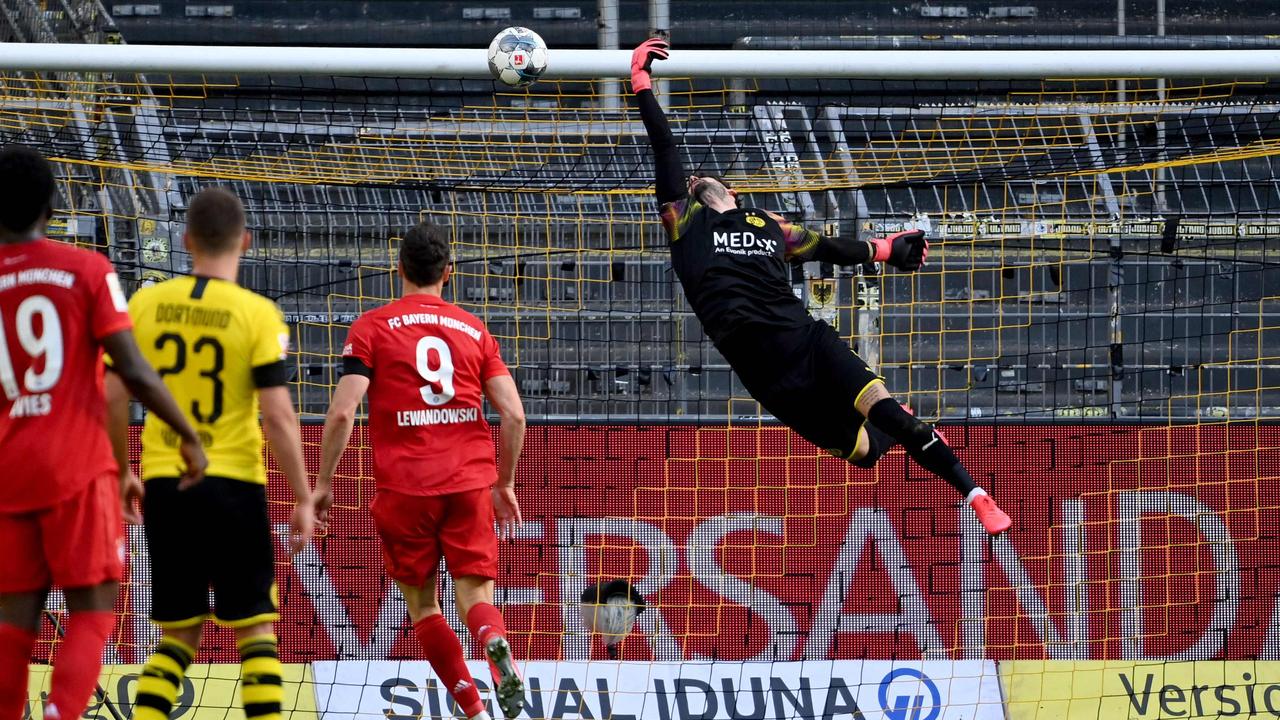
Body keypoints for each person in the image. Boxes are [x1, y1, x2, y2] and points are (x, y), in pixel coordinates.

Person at [629, 39, 1012, 535]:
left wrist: (886, 249)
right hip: (767, 377)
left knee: (895, 418)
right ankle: (896, 423)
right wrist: (640, 82)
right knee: (866, 452)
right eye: (693, 180)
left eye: (708, 178)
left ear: (735, 191)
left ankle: (977, 496)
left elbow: (829, 248)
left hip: (807, 342)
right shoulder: (683, 221)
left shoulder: (769, 224)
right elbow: (665, 145)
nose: (698, 179)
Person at [0, 145, 207, 720]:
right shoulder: (88, 270)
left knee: (13, 624)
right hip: (76, 465)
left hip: (9, 472)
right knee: (94, 607)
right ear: (52, 204)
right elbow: (133, 371)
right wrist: (187, 434)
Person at [103, 187, 314, 720]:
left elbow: (110, 392)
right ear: (245, 241)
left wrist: (123, 470)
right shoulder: (257, 313)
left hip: (165, 484)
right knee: (257, 634)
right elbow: (278, 415)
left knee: (178, 637)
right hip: (234, 483)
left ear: (186, 239)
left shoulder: (145, 303)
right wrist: (305, 497)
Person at [313, 221, 527, 720]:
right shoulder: (475, 329)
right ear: (448, 273)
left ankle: (474, 710)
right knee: (475, 597)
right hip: (469, 482)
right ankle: (493, 639)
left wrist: (322, 485)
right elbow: (514, 414)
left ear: (399, 269)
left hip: (405, 487)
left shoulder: (371, 327)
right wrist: (505, 482)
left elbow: (343, 412)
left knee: (424, 607)